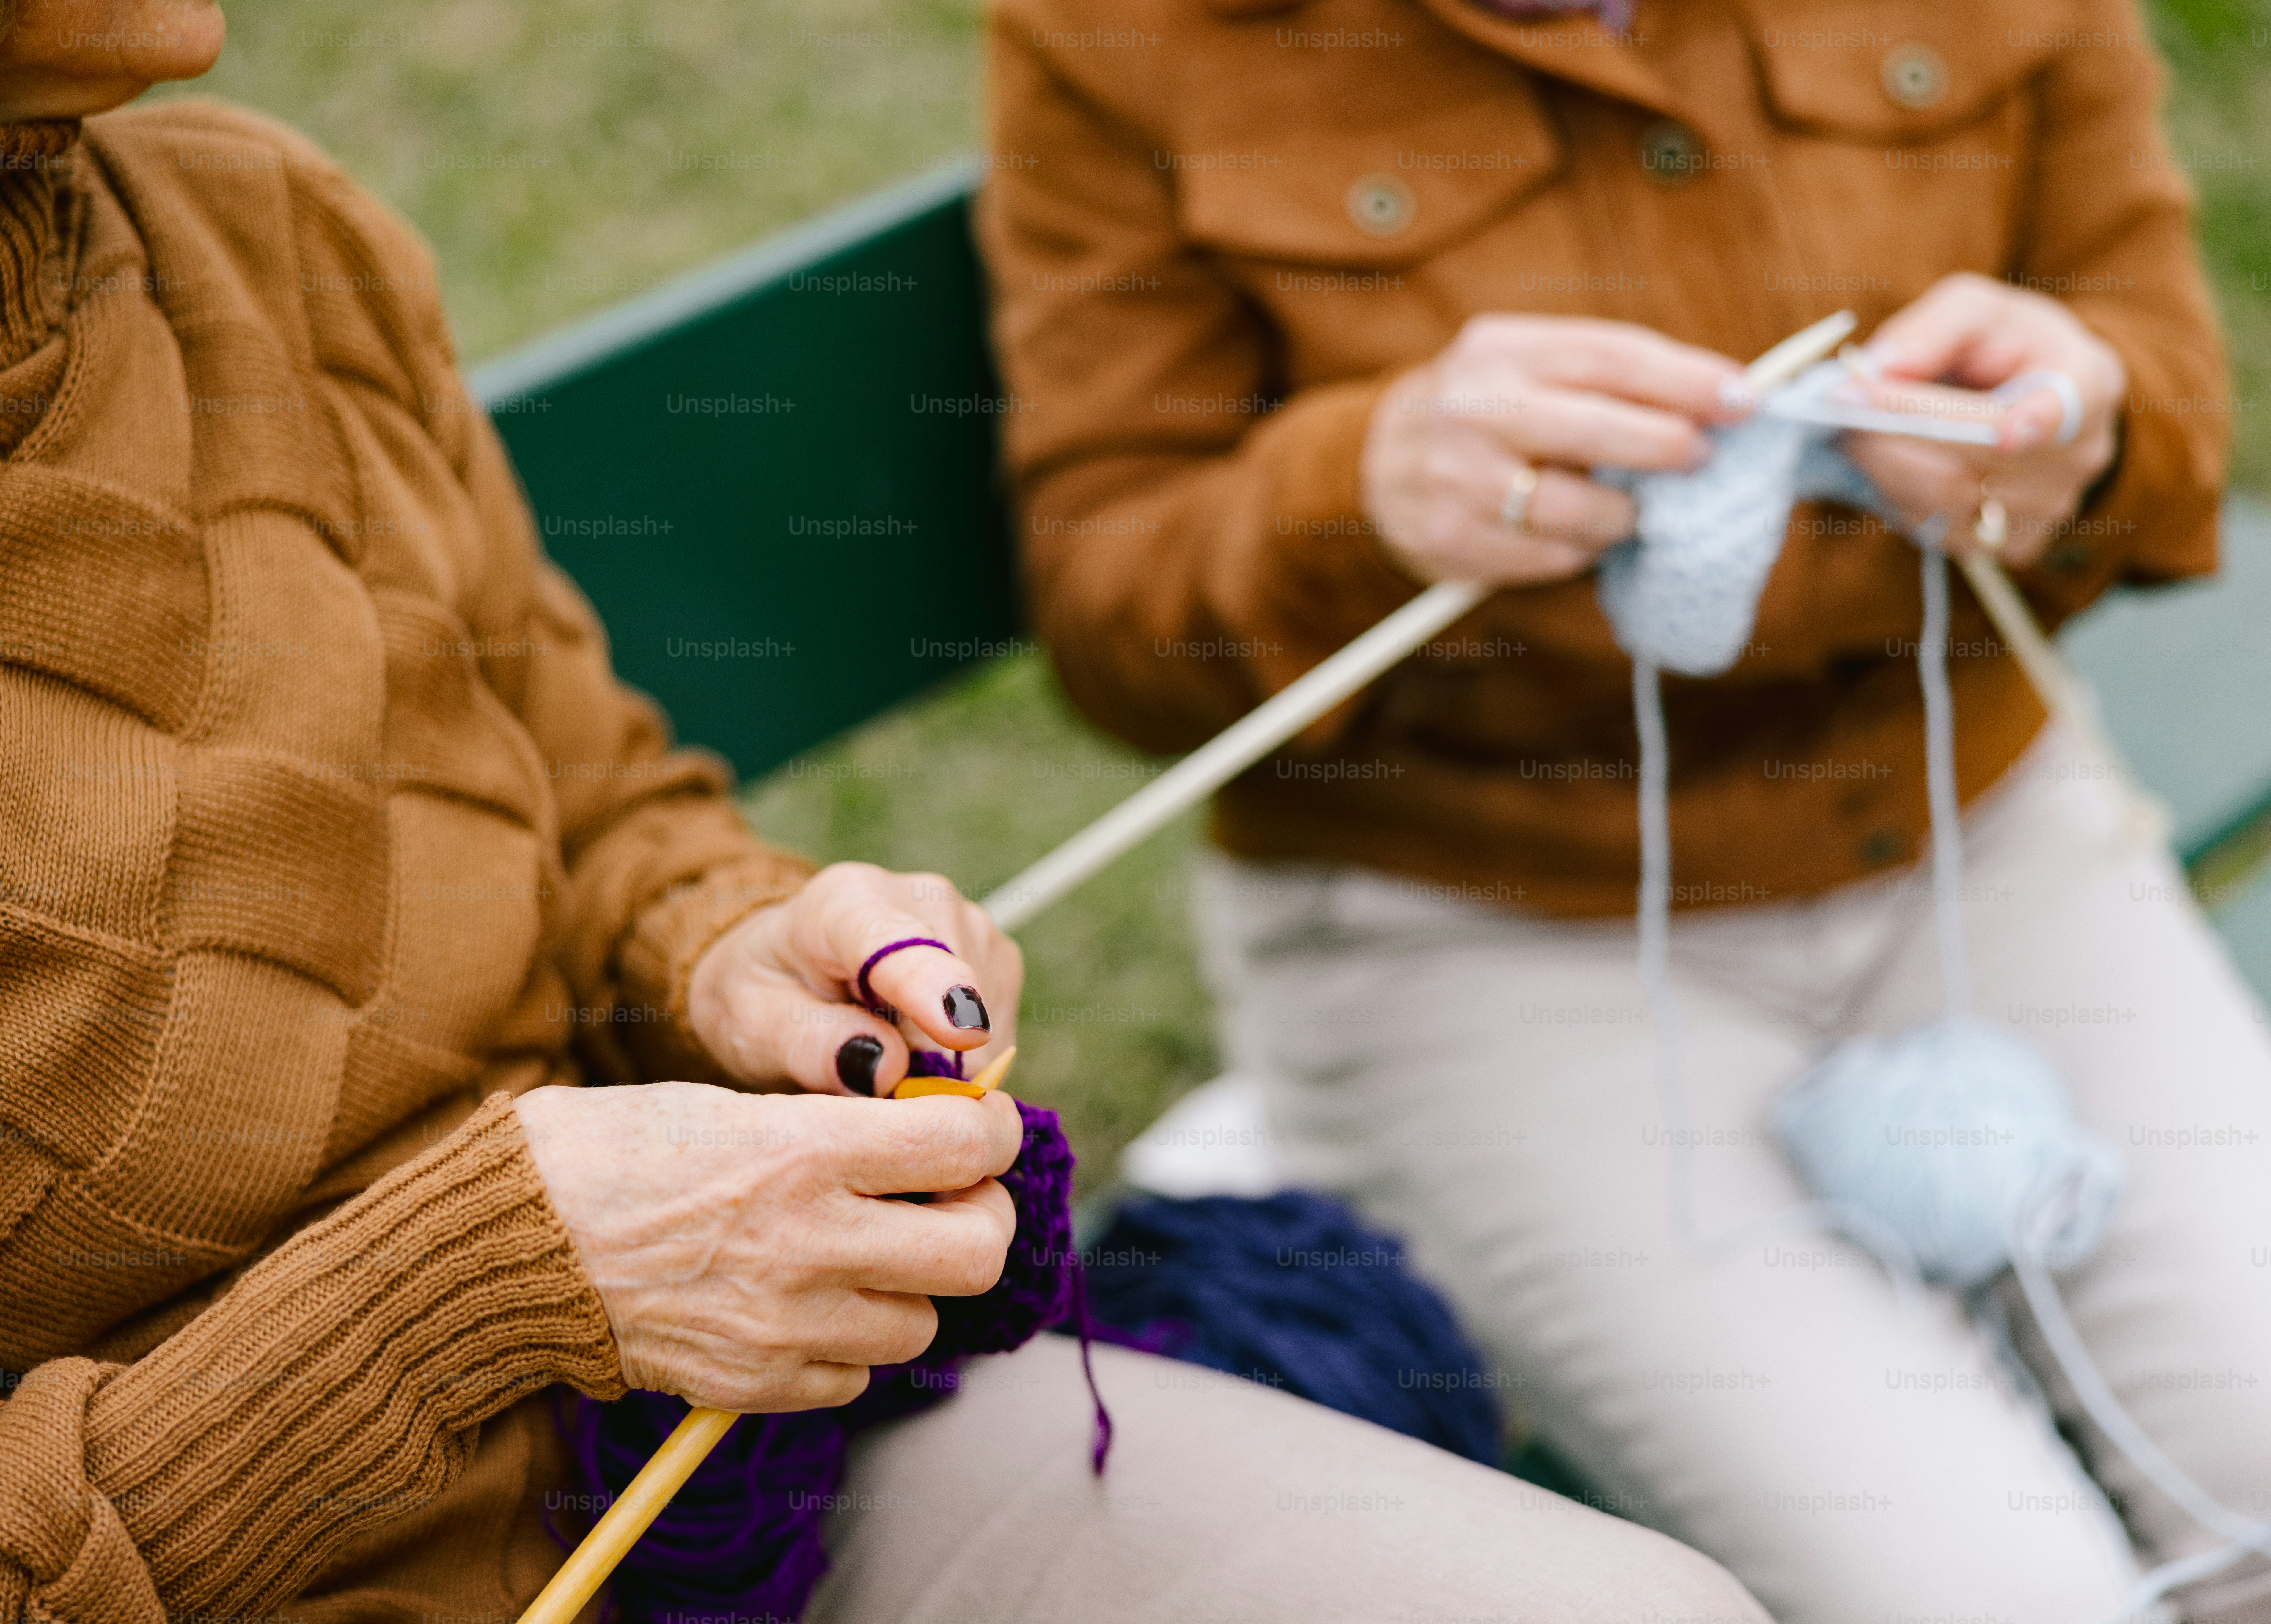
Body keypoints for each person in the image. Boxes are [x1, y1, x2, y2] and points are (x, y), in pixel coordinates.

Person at [0, 3, 1777, 1622]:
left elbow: (597, 805)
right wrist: (459, 1293)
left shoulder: (262, 235)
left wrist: (734, 955)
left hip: (689, 1475)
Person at [980, 0, 2271, 1618]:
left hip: (1977, 835)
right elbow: (1117, 617)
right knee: (1985, 1593)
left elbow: (2154, 368)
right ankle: (1352, 1130)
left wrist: (2078, 424)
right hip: (1482, 931)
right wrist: (1363, 490)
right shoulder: (1126, 32)